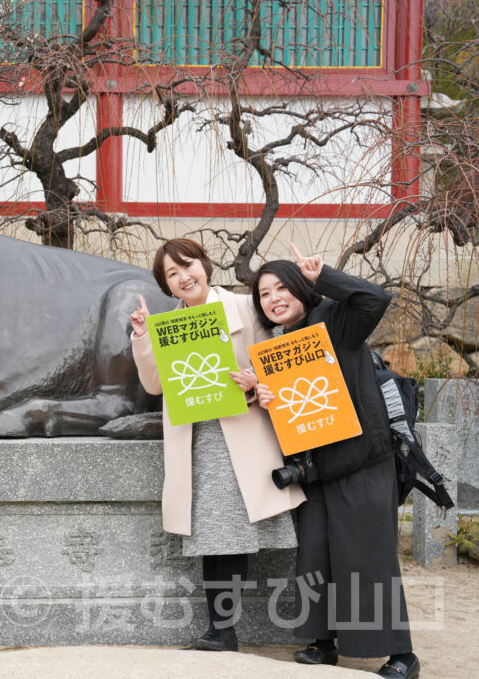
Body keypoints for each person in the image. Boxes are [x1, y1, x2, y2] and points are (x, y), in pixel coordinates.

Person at [129, 238, 304, 652]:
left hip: (242, 434)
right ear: (167, 286)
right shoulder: (168, 325)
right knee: (214, 534)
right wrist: (142, 337)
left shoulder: (246, 307)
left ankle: (223, 631)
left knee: (231, 532)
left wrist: (254, 382)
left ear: (205, 266)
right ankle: (221, 631)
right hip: (198, 438)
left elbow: (279, 367)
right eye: (172, 274)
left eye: (187, 265)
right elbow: (155, 385)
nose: (183, 276)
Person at [251, 244, 417, 679]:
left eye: (283, 287)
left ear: (303, 289)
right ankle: (323, 643)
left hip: (362, 461)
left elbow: (375, 300)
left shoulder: (334, 319)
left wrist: (323, 275)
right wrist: (263, 397)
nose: (274, 298)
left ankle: (401, 654)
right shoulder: (277, 347)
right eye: (264, 294)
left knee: (370, 557)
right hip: (317, 470)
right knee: (316, 557)